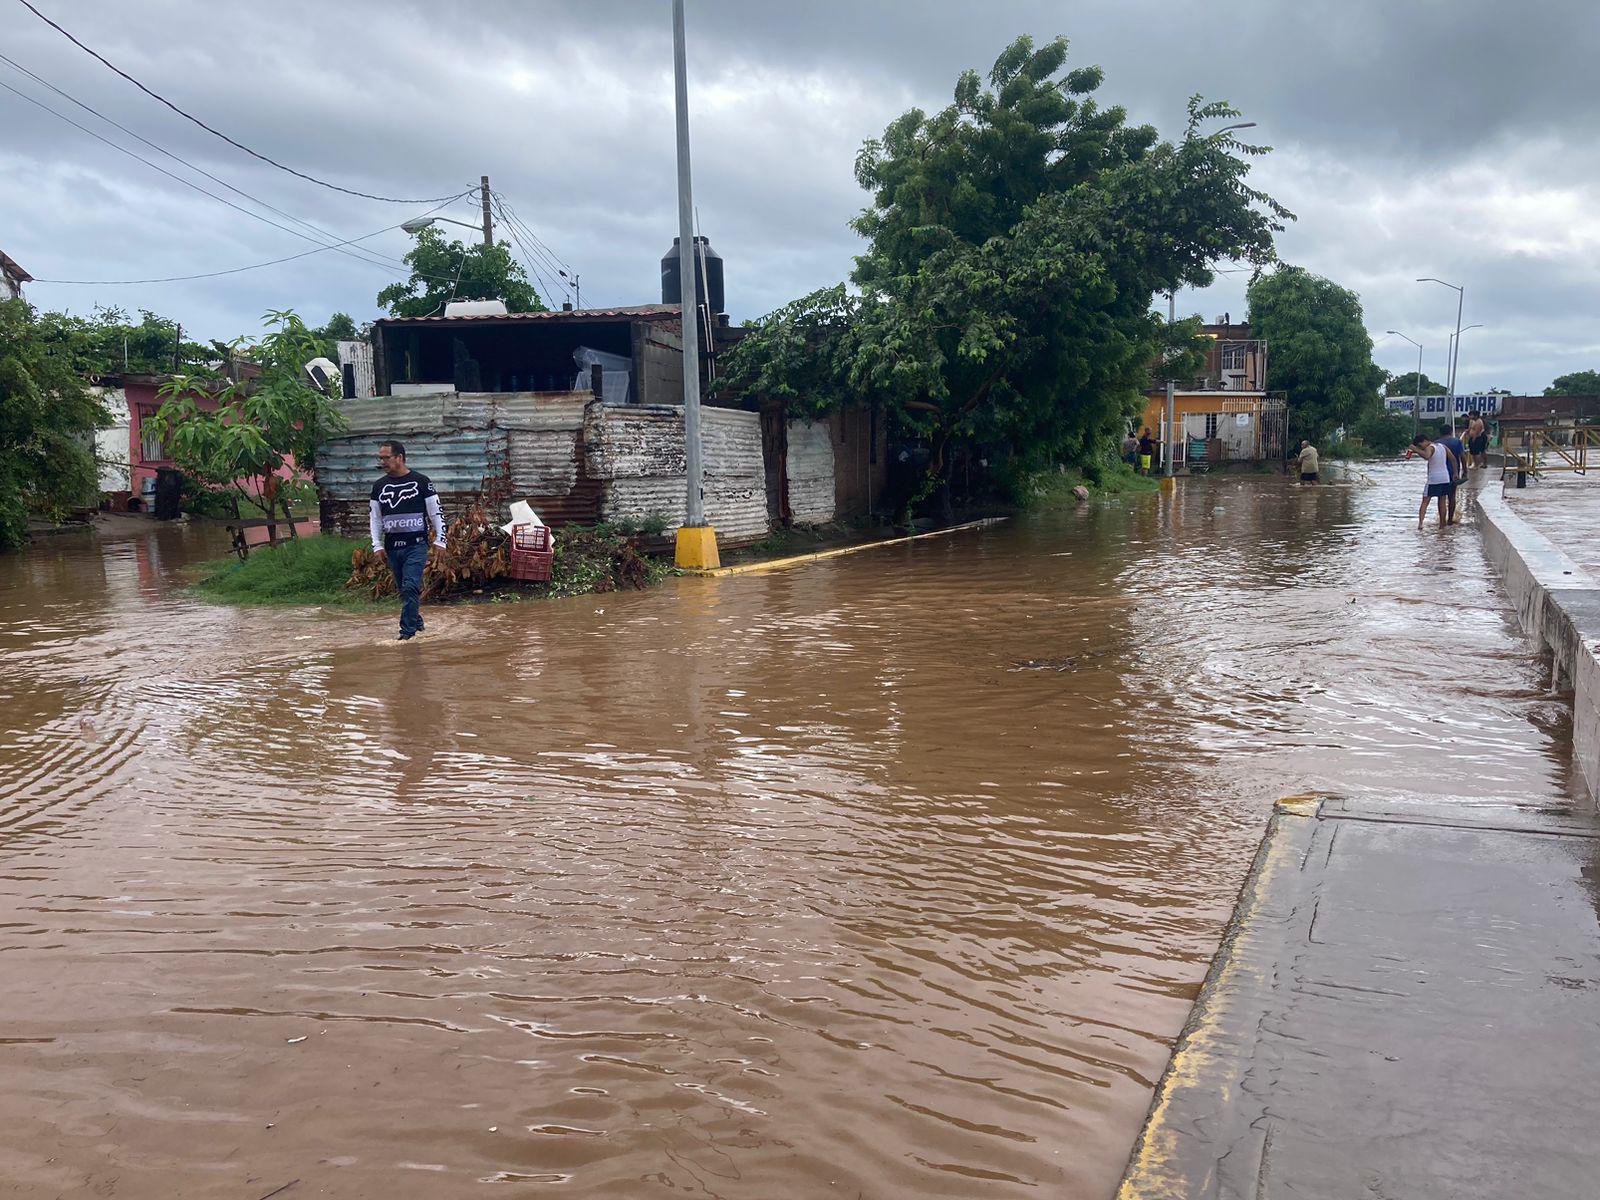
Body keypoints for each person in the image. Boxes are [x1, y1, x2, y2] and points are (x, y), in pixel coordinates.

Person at [369, 440, 446, 641]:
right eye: (381, 458)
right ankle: (417, 623)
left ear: (399, 458)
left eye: (386, 457)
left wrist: (441, 540)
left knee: (411, 586)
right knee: (405, 589)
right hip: (392, 546)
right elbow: (375, 519)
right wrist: (376, 545)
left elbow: (436, 512)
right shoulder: (379, 486)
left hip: (416, 544)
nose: (383, 461)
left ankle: (407, 635)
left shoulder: (421, 482)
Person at [1410, 432, 1460, 530]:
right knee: (1442, 501)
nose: (1421, 448)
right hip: (1444, 477)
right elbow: (1453, 459)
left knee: (1425, 501)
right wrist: (1455, 473)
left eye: (1420, 446)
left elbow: (1427, 456)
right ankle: (1442, 525)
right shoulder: (1442, 447)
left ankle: (1420, 524)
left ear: (1424, 441)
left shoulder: (1429, 447)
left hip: (1434, 479)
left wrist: (1414, 449)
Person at [1437, 423, 1467, 524]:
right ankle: (1450, 519)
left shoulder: (1436, 443)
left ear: (1440, 433)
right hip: (1453, 472)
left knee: (1441, 497)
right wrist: (1465, 471)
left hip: (1439, 473)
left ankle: (1442, 521)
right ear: (1450, 431)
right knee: (1452, 496)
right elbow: (1462, 457)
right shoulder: (1457, 442)